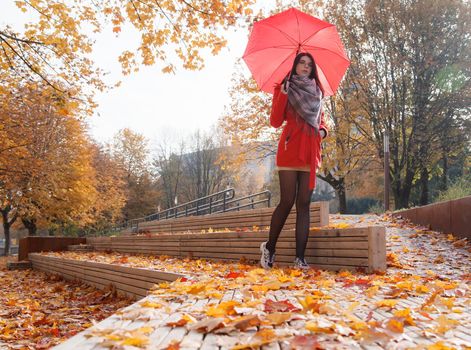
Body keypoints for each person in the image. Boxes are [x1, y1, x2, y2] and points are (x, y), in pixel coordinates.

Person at [260, 52, 328, 269]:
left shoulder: (317, 91)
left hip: (310, 151)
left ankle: (300, 258)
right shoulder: (285, 87)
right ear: (295, 65)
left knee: (304, 204)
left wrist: (323, 132)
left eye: (309, 64)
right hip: (290, 150)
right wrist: (281, 95)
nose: (306, 67)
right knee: (287, 201)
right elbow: (275, 121)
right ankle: (269, 248)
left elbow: (321, 121)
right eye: (302, 63)